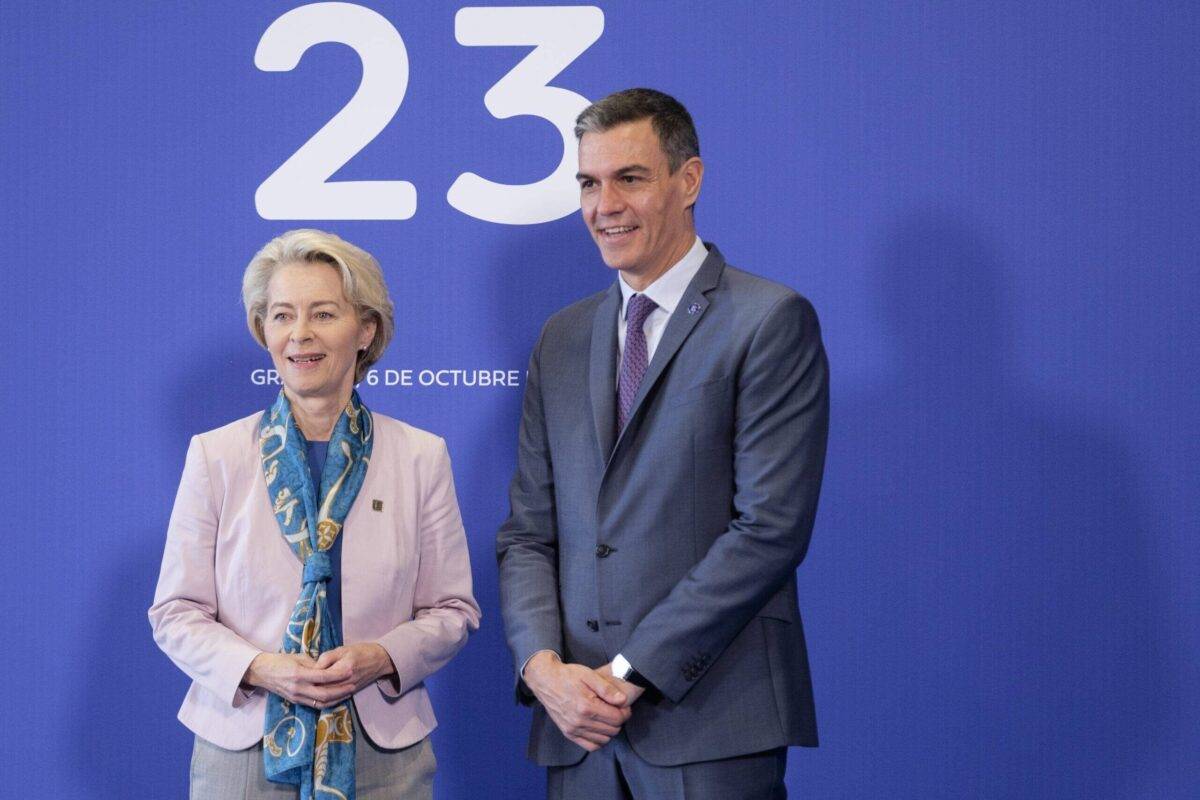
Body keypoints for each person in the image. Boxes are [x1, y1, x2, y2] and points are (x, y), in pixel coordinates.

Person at [497, 88, 829, 798]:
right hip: (575, 732)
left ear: (690, 180)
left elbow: (768, 530)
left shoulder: (769, 321)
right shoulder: (561, 338)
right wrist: (542, 670)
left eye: (630, 178)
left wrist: (627, 675)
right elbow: (528, 533)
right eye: (589, 182)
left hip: (710, 722)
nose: (603, 205)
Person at [150, 229, 480, 800]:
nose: (299, 335)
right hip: (243, 749)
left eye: (323, 314)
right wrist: (262, 667)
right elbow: (175, 613)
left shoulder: (421, 455)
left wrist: (379, 658)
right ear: (264, 332)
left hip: (384, 751)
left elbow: (452, 611)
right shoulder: (216, 454)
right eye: (281, 316)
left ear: (366, 330)